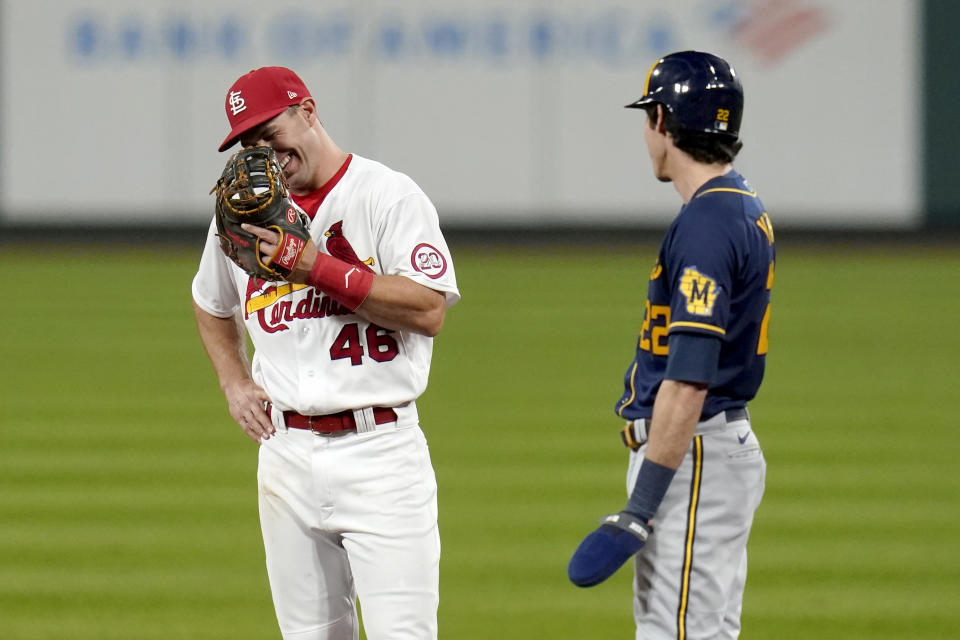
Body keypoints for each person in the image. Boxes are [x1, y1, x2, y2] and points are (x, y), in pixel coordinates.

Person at [191, 66, 459, 640]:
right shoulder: (242, 214)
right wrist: (234, 382)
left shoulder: (386, 195)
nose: (263, 152)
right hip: (285, 458)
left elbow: (428, 309)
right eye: (249, 141)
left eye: (270, 131)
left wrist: (313, 264)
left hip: (381, 455)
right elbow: (209, 303)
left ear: (308, 111)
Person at [568, 51, 774, 640]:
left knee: (680, 634)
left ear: (663, 120)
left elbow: (688, 378)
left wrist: (641, 506)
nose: (645, 134)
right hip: (704, 448)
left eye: (647, 118)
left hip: (694, 451)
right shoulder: (736, 203)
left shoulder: (709, 223)